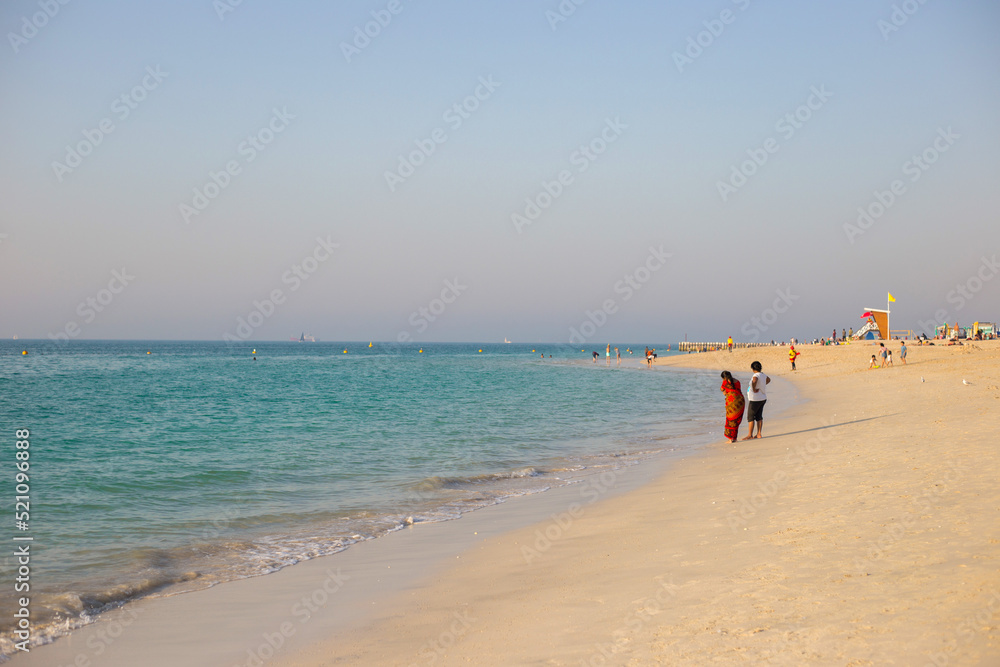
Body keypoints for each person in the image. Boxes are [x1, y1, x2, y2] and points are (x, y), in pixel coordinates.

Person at [743, 361, 770, 440]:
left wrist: (754, 389)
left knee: (750, 417)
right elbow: (768, 380)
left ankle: (750, 435)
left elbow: (754, 380)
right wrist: (762, 385)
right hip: (762, 398)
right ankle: (759, 434)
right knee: (759, 416)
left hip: (755, 399)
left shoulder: (755, 375)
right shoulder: (763, 374)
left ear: (753, 368)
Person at [720, 371, 745, 443]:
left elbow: (722, 389)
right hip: (740, 401)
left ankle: (730, 439)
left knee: (730, 420)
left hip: (731, 402)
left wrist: (724, 391)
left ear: (724, 378)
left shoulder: (725, 382)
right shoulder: (737, 381)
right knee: (736, 419)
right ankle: (734, 438)